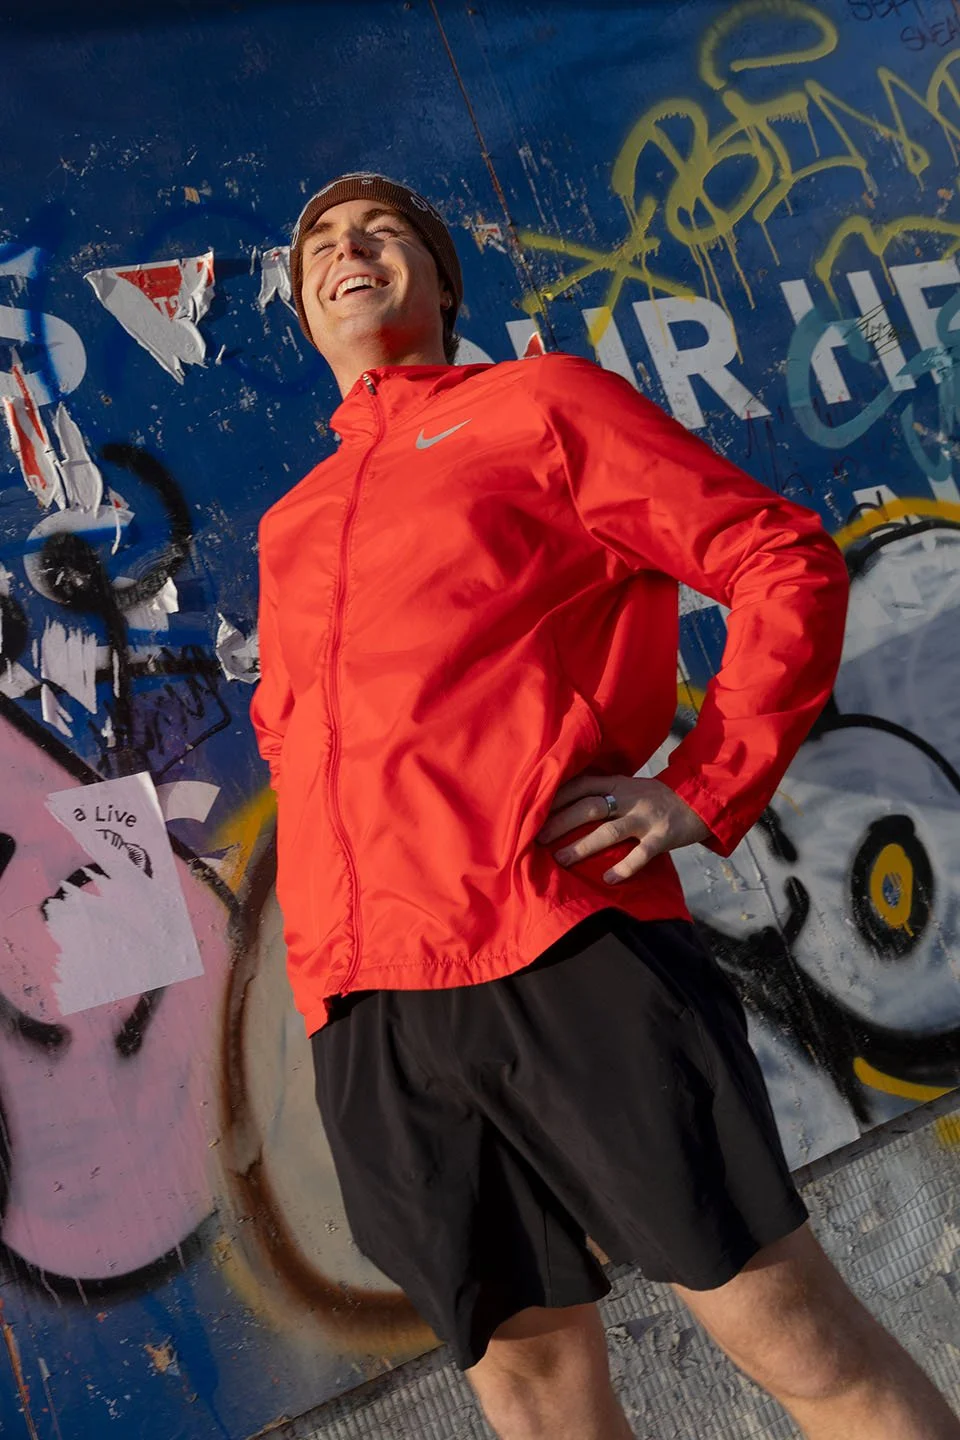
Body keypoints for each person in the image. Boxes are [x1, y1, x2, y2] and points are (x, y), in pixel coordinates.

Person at [250, 172, 960, 1440]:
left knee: (782, 1327)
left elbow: (779, 558)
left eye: (381, 234)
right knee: (530, 1395)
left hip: (562, 946)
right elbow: (296, 733)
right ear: (306, 311)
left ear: (442, 282)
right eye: (319, 249)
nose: (345, 252)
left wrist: (707, 784)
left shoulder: (540, 404)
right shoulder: (292, 521)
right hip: (368, 1012)